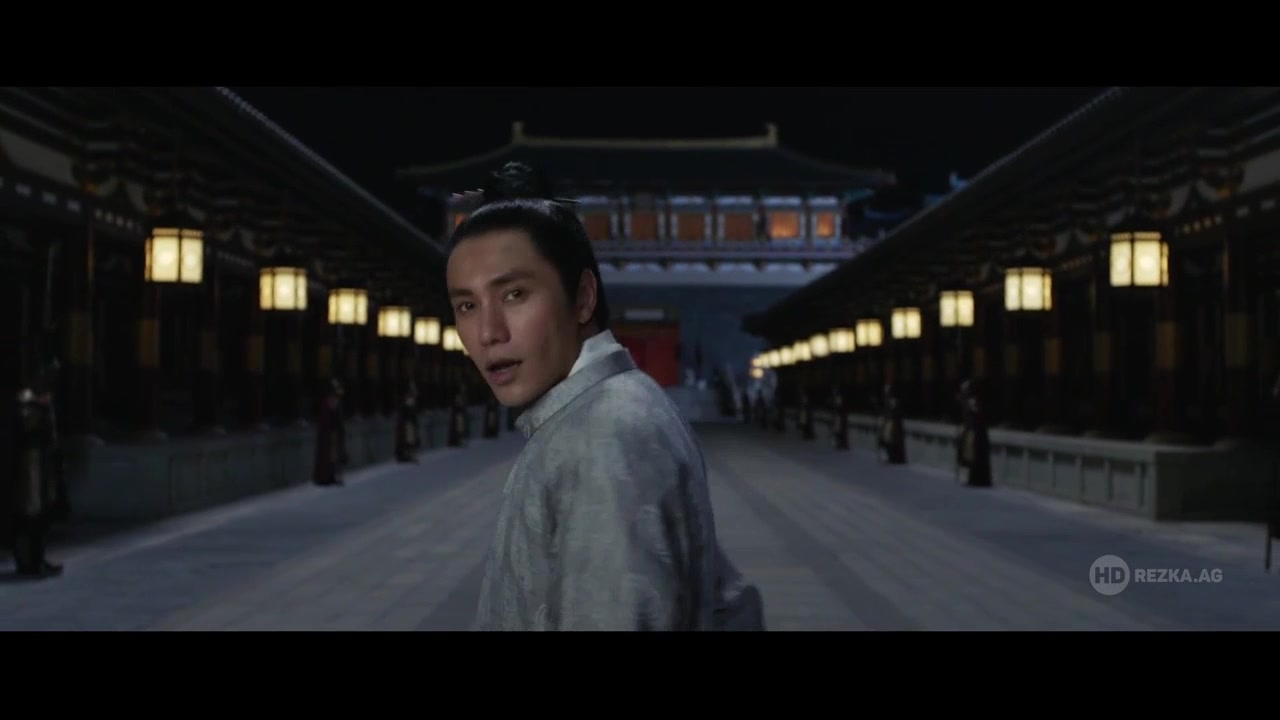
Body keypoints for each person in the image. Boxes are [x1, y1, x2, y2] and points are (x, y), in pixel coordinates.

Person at [449, 161, 764, 631]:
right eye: (467, 305)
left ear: (582, 297)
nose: (488, 332)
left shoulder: (605, 434)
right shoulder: (605, 412)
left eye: (514, 294)